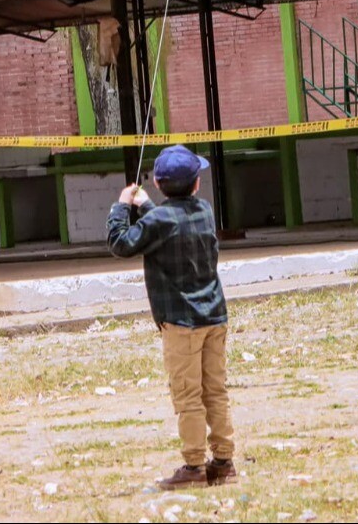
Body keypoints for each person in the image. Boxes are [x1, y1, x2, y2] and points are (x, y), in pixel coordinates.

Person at [107, 144, 236, 489]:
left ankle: (193, 466)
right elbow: (169, 223)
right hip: (215, 316)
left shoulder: (158, 221)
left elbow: (120, 243)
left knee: (188, 395)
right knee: (215, 390)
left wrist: (123, 205)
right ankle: (224, 462)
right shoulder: (205, 211)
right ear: (197, 184)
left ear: (159, 184)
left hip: (181, 323)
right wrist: (146, 206)